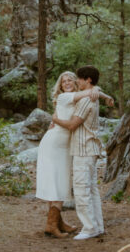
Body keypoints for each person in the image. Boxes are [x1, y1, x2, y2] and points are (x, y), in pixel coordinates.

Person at [36, 71, 113, 238]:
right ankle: (52, 225)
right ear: (60, 86)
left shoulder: (78, 97)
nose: (68, 83)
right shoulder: (65, 97)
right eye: (64, 81)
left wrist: (103, 95)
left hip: (65, 146)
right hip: (55, 144)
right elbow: (90, 92)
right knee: (58, 184)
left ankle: (56, 222)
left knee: (59, 183)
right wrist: (99, 92)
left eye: (71, 79)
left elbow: (91, 91)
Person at [51, 65, 106, 240]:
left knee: (82, 190)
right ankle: (97, 226)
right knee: (92, 189)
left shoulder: (85, 101)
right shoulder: (93, 97)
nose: (77, 82)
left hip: (83, 149)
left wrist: (55, 119)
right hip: (90, 148)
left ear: (87, 80)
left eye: (79, 79)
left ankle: (89, 228)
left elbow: (73, 125)